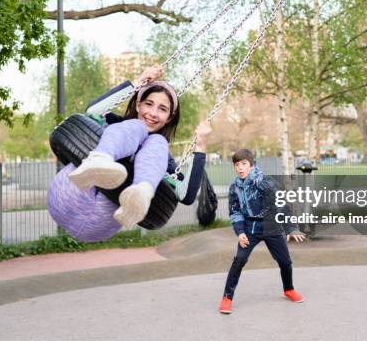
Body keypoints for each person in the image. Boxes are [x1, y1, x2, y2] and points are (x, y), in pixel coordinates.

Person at [68, 65, 211, 229]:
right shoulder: (116, 124)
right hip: (80, 192)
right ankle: (100, 160)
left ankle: (142, 192)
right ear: (138, 105)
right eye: (148, 104)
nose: (153, 113)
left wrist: (200, 145)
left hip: (105, 218)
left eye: (162, 109)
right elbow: (92, 111)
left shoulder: (161, 157)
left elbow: (186, 195)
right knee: (137, 127)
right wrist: (137, 82)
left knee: (158, 142)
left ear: (169, 117)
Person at [219, 149, 305, 314]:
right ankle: (227, 298)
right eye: (237, 165)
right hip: (250, 228)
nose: (240, 168)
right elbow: (235, 211)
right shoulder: (235, 188)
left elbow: (279, 204)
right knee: (239, 260)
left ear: (251, 165)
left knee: (285, 262)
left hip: (271, 226)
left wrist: (291, 227)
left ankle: (289, 289)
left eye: (244, 164)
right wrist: (240, 232)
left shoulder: (265, 182)